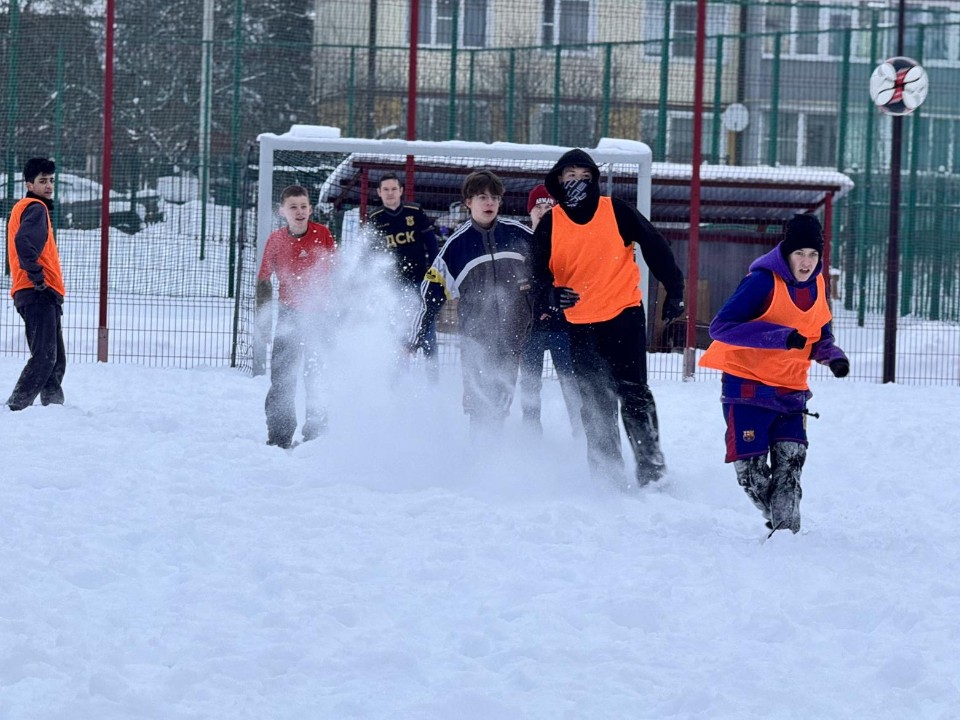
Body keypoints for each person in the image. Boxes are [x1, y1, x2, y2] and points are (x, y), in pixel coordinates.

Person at [529, 148, 685, 487]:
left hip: (624, 316)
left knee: (634, 394)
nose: (577, 182)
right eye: (570, 176)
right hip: (580, 325)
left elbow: (655, 244)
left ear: (594, 180)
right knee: (595, 402)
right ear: (558, 182)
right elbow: (537, 275)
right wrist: (550, 295)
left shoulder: (615, 210)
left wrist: (675, 289)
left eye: (584, 177)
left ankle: (652, 471)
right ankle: (607, 477)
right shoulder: (551, 224)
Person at [698, 213, 849, 535]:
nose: (807, 262)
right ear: (786, 252)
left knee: (791, 466)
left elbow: (819, 334)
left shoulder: (819, 284)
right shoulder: (762, 281)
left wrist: (832, 357)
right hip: (748, 389)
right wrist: (778, 336)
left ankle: (786, 537)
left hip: (793, 391)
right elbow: (720, 328)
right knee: (751, 475)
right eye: (799, 254)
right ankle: (780, 521)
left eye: (813, 254)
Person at [410, 169, 533, 432]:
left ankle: (494, 462)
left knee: (500, 406)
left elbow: (549, 272)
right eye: (481, 197)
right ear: (468, 202)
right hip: (476, 340)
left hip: (515, 338)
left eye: (494, 197)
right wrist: (415, 336)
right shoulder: (456, 246)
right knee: (478, 406)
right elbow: (430, 293)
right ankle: (477, 461)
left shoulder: (520, 235)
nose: (489, 203)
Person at [255, 185, 337, 448]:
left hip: (320, 316)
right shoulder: (276, 241)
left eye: (303, 206)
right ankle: (279, 437)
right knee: (282, 378)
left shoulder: (323, 234)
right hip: (289, 316)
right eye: (293, 207)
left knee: (318, 375)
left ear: (310, 209)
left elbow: (338, 272)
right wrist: (264, 322)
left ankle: (316, 434)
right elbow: (264, 282)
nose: (299, 212)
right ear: (283, 212)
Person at [518, 184, 582, 437]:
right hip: (531, 329)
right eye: (538, 207)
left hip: (561, 327)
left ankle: (581, 433)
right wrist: (536, 309)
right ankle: (531, 434)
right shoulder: (520, 244)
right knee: (530, 383)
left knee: (570, 382)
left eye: (549, 207)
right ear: (530, 212)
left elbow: (572, 285)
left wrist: (553, 308)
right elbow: (518, 286)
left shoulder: (568, 243)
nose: (543, 212)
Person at [5, 157, 67, 412]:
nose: (49, 186)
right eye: (42, 181)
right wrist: (39, 279)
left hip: (38, 291)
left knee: (56, 359)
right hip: (37, 290)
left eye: (51, 180)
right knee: (45, 357)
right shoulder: (35, 208)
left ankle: (53, 408)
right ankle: (16, 407)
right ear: (29, 184)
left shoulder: (26, 208)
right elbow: (24, 245)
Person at [368, 172, 441, 381]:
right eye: (386, 190)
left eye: (394, 189)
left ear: (401, 191)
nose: (390, 193)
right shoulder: (375, 219)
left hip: (420, 283)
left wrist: (435, 273)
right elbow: (370, 255)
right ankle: (398, 383)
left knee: (427, 332)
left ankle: (433, 382)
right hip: (393, 287)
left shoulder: (415, 212)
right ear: (379, 193)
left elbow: (432, 244)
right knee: (399, 334)